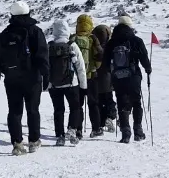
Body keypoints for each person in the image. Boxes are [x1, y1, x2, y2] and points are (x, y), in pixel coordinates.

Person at [0, 1, 49, 155]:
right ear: (28, 12)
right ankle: (34, 141)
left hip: (12, 78)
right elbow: (42, 55)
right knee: (32, 110)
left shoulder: (6, 33)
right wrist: (46, 75)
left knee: (14, 111)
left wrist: (5, 71)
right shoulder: (35, 31)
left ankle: (17, 144)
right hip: (32, 77)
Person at [107, 15, 152, 142]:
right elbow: (144, 57)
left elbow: (105, 61)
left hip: (118, 77)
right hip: (134, 76)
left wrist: (111, 73)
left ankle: (125, 133)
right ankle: (138, 131)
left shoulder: (112, 42)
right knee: (136, 102)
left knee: (122, 103)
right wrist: (148, 69)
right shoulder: (136, 40)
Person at [47, 17, 88, 145]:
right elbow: (80, 67)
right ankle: (72, 129)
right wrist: (83, 86)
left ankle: (60, 135)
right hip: (72, 83)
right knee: (75, 107)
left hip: (54, 84)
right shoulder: (72, 45)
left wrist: (46, 84)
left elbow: (44, 66)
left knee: (58, 109)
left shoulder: (49, 46)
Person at [72, 13, 100, 135]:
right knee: (93, 103)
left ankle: (78, 129)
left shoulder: (73, 39)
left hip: (76, 78)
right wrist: (95, 68)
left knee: (78, 105)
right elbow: (99, 56)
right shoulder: (92, 38)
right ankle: (96, 129)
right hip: (91, 76)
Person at [89, 23, 117, 135]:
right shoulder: (110, 46)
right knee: (109, 100)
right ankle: (110, 117)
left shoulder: (92, 46)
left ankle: (100, 123)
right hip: (107, 79)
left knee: (99, 102)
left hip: (94, 79)